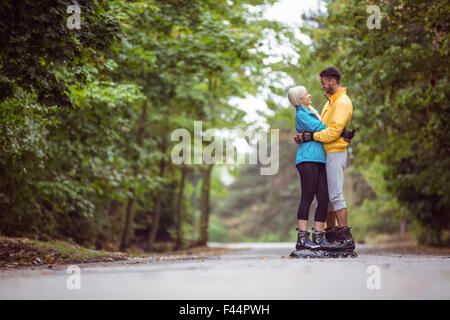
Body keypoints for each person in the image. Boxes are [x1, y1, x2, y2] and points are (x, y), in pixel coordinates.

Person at [294, 67, 356, 256]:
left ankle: (345, 238)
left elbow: (330, 132)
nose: (321, 86)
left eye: (323, 82)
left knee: (336, 195)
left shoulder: (342, 102)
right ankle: (331, 236)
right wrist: (307, 136)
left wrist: (309, 136)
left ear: (332, 81)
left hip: (335, 151)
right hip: (325, 152)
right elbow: (327, 127)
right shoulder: (330, 103)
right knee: (327, 198)